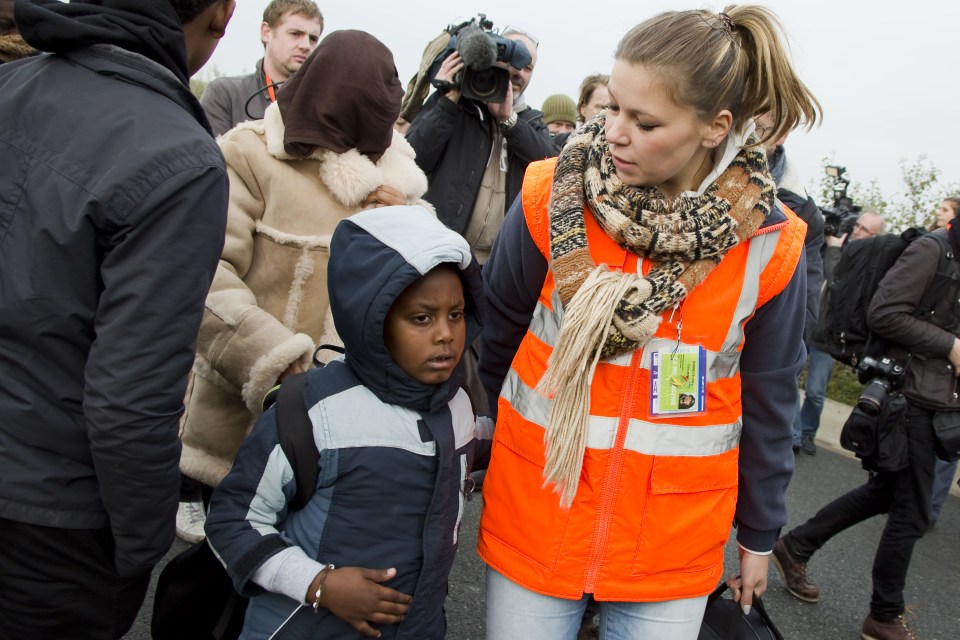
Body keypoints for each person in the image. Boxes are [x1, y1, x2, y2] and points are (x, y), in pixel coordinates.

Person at [477, 6, 820, 639]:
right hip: (539, 508)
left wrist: (760, 533)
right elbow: (496, 334)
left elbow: (771, 398)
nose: (613, 133)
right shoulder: (551, 192)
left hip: (671, 540)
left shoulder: (773, 244)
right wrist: (475, 438)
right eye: (611, 108)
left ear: (715, 127)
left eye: (645, 121)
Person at [0, 0, 235, 637]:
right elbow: (128, 401)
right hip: (56, 524)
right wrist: (138, 541)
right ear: (221, 13)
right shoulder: (180, 158)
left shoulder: (13, 83)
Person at [205, 205, 493, 639]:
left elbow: (487, 451)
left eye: (455, 314)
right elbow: (232, 521)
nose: (445, 334)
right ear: (371, 320)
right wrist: (319, 585)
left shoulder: (459, 406)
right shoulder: (313, 411)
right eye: (421, 318)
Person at [179, 31, 431, 503]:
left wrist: (408, 218)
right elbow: (204, 278)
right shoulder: (249, 156)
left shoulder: (396, 173)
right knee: (221, 557)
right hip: (239, 422)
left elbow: (434, 279)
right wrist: (280, 365)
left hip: (345, 429)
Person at [772, 212, 960, 640]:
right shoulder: (932, 249)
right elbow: (886, 313)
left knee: (885, 493)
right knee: (910, 516)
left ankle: (797, 544)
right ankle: (884, 615)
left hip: (935, 400)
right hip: (908, 401)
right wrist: (950, 346)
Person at [406, 24, 556, 263]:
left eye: (527, 67)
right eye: (509, 60)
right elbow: (415, 159)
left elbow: (552, 168)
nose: (517, 72)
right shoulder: (455, 105)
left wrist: (509, 121)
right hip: (440, 252)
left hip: (498, 265)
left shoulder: (532, 120)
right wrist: (450, 97)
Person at [754, 111, 826, 456]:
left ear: (779, 134)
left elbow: (802, 316)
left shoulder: (802, 215)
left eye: (759, 127)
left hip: (746, 377)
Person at [796, 210, 885, 455]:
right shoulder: (834, 246)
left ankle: (807, 434)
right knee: (789, 380)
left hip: (828, 338)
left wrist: (834, 250)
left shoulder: (868, 260)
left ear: (875, 235)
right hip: (806, 326)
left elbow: (837, 280)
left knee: (815, 391)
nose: (857, 231)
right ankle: (791, 434)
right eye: (857, 225)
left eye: (865, 229)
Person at [200, 0, 322, 136]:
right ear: (266, 32)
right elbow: (213, 155)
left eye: (313, 38)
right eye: (295, 34)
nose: (305, 45)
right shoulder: (226, 93)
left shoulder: (325, 101)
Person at [925, 196, 960, 526]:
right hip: (934, 377)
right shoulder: (932, 248)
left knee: (949, 448)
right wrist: (949, 345)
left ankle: (929, 511)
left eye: (946, 210)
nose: (940, 214)